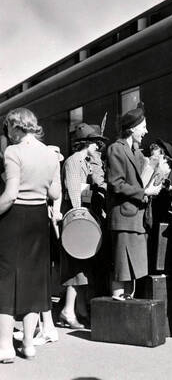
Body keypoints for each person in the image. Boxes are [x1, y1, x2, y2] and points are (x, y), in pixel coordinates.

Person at [0, 107, 60, 362]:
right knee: (34, 279)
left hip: (14, 219)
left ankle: (5, 347)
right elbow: (55, 194)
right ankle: (28, 344)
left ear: (16, 126)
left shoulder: (14, 152)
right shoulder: (50, 154)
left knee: (6, 280)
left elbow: (10, 194)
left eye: (8, 128)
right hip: (38, 219)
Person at [106, 106, 161, 301]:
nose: (146, 131)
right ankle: (117, 304)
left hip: (137, 218)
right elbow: (116, 184)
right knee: (121, 268)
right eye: (143, 127)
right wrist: (144, 191)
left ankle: (127, 306)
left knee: (133, 270)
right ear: (132, 128)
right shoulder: (116, 149)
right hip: (124, 218)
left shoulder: (137, 153)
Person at [59, 123, 107, 329]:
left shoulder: (83, 162)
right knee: (76, 266)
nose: (98, 146)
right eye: (95, 143)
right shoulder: (73, 162)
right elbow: (74, 193)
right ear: (86, 143)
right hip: (76, 221)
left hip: (82, 219)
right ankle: (68, 311)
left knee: (82, 266)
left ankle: (79, 310)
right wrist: (81, 216)